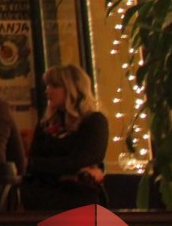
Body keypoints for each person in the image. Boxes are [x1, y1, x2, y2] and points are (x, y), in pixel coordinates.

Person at [21, 64, 108, 211]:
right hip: (43, 196)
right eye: (47, 86)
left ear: (72, 88)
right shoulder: (46, 124)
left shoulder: (94, 121)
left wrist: (44, 166)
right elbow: (32, 163)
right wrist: (63, 170)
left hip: (79, 199)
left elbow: (81, 160)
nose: (48, 91)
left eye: (55, 86)